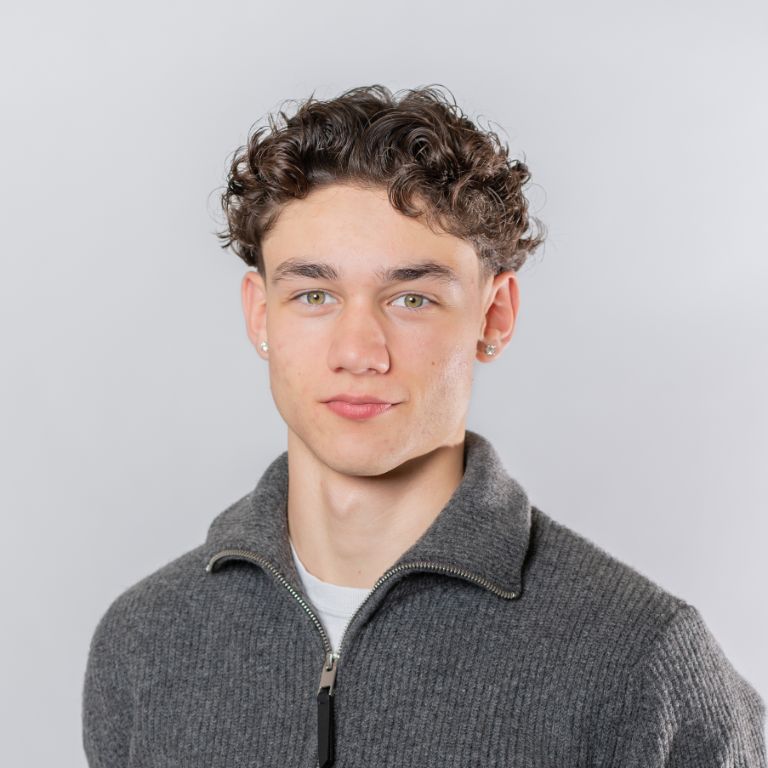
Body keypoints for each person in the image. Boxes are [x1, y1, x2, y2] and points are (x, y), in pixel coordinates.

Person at [82, 84, 766, 767]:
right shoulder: (144, 643)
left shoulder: (638, 660)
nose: (358, 353)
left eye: (411, 298)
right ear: (262, 315)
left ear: (494, 317)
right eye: (314, 295)